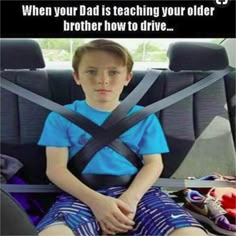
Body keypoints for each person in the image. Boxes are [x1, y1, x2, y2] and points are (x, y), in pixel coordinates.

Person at [36, 39, 208, 236]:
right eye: (91, 71)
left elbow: (154, 164)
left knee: (189, 233)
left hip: (139, 193)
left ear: (127, 77)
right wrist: (97, 203)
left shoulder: (144, 117)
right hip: (80, 194)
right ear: (76, 77)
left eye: (113, 72)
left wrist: (130, 199)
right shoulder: (60, 117)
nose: (103, 80)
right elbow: (56, 169)